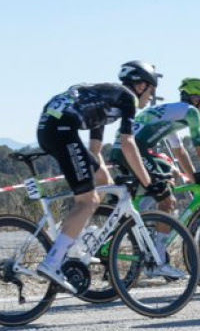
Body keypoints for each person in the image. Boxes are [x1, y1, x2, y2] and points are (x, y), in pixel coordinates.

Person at [35, 61, 171, 292]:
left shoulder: (106, 100)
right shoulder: (127, 98)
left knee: (100, 187)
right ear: (140, 86)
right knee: (88, 201)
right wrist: (149, 183)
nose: (150, 98)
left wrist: (106, 183)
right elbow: (129, 144)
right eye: (151, 91)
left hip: (53, 127)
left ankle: (73, 237)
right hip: (62, 130)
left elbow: (95, 150)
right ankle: (53, 261)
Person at [109, 77, 200, 270]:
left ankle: (139, 227)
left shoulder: (171, 114)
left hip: (123, 148)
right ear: (196, 100)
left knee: (166, 175)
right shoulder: (190, 112)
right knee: (167, 201)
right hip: (135, 149)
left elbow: (180, 152)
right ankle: (157, 259)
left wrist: (194, 178)